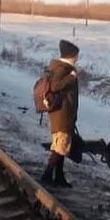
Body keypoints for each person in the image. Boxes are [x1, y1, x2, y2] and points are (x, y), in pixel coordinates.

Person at [40, 39, 80, 188]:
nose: (77, 58)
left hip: (64, 113)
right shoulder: (63, 69)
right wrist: (71, 78)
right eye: (76, 55)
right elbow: (55, 86)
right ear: (70, 55)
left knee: (62, 145)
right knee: (61, 146)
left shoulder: (62, 67)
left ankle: (59, 176)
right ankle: (47, 175)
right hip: (62, 114)